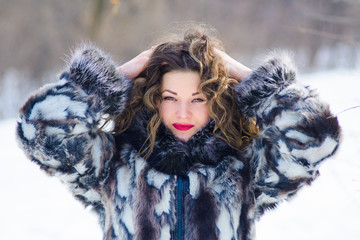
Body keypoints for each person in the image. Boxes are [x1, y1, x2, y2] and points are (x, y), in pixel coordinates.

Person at [16, 26, 341, 240]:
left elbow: (316, 135)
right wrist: (113, 77)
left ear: (216, 101)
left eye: (198, 99)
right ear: (154, 98)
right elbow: (38, 127)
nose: (183, 112)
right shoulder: (113, 164)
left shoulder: (244, 168)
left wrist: (253, 81)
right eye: (170, 98)